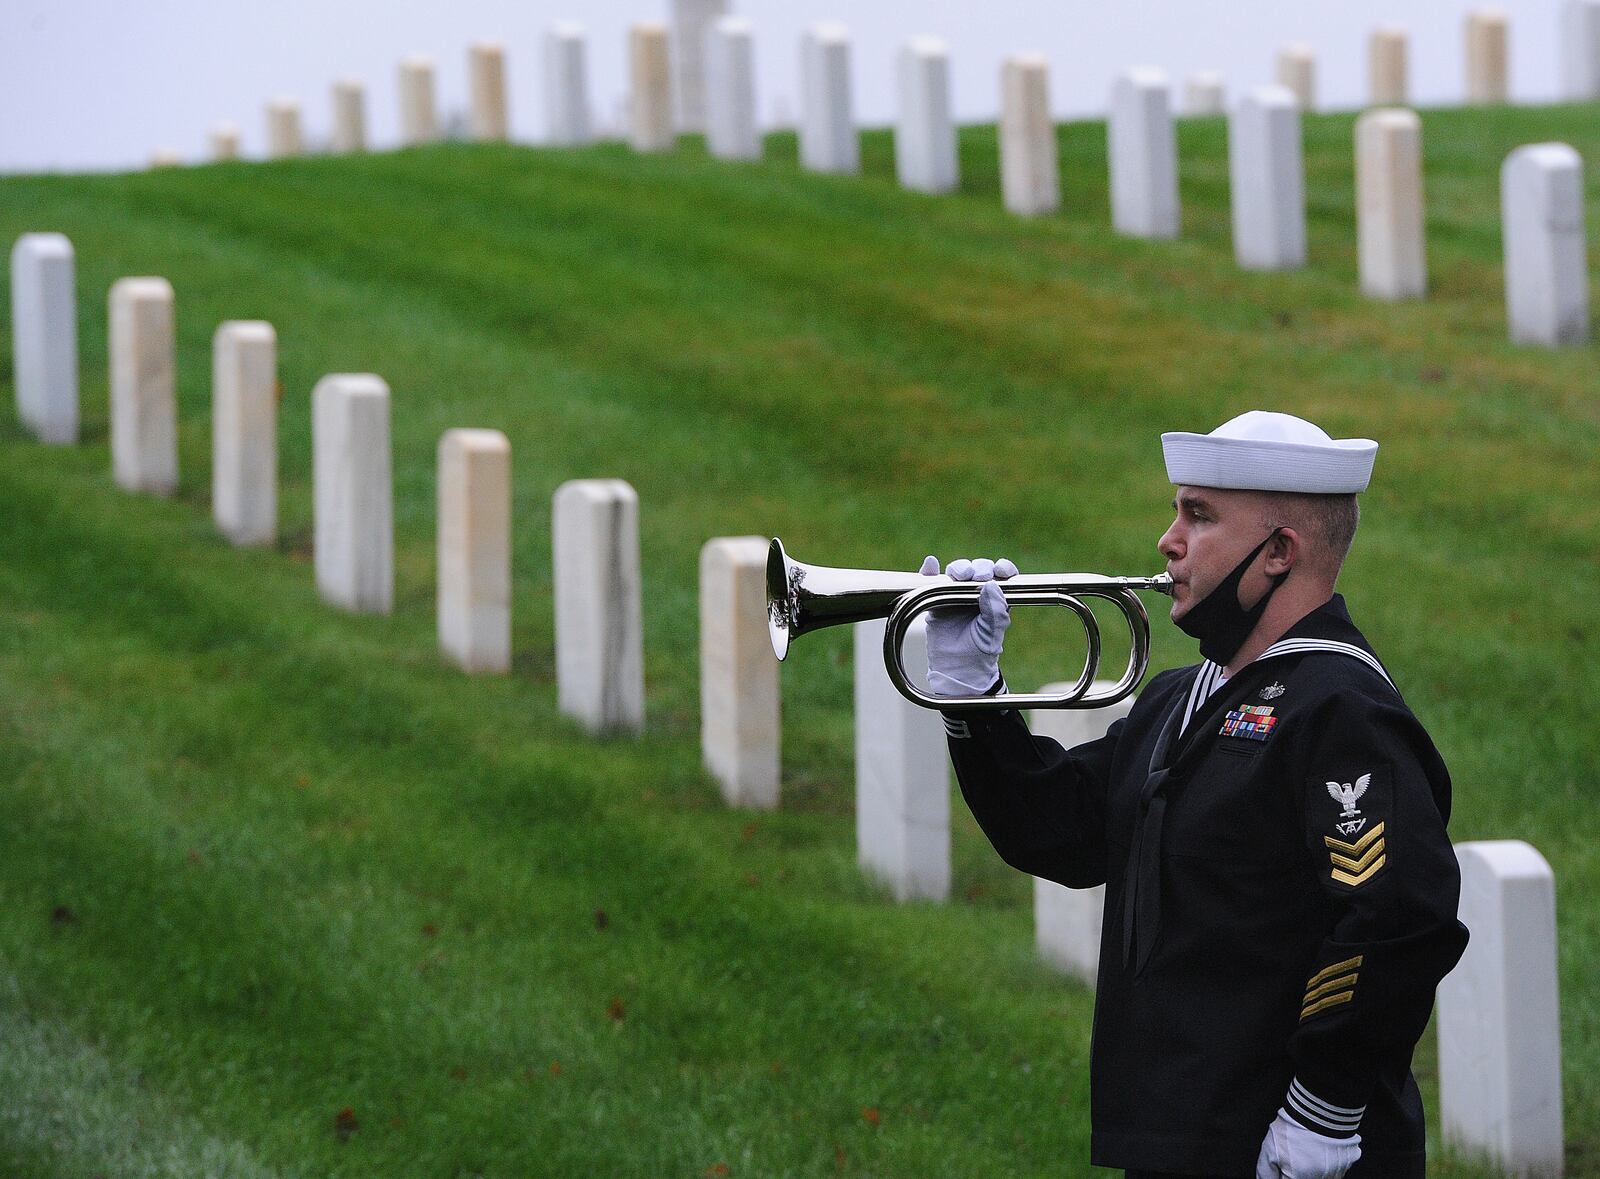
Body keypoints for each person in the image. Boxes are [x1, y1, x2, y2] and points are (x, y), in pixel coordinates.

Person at [923, 411, 1468, 1179]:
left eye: (1199, 515)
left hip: (1293, 1148)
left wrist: (1324, 1110)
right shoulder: (1182, 697)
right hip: (1183, 1132)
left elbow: (1399, 917)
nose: (1167, 539)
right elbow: (1062, 831)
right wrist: (974, 698)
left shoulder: (1341, 708)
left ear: (1279, 551)